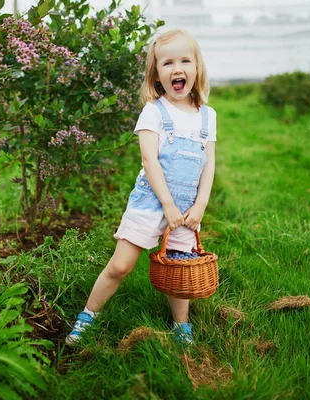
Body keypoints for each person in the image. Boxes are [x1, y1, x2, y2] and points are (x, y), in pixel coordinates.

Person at [66, 29, 217, 346]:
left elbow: (209, 164)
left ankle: (181, 326)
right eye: (167, 63)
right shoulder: (155, 112)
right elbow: (149, 161)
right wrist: (167, 205)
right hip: (152, 202)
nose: (177, 68)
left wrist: (200, 205)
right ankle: (87, 316)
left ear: (197, 68)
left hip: (187, 209)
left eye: (185, 60)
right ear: (157, 75)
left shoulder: (207, 116)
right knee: (121, 265)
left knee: (180, 268)